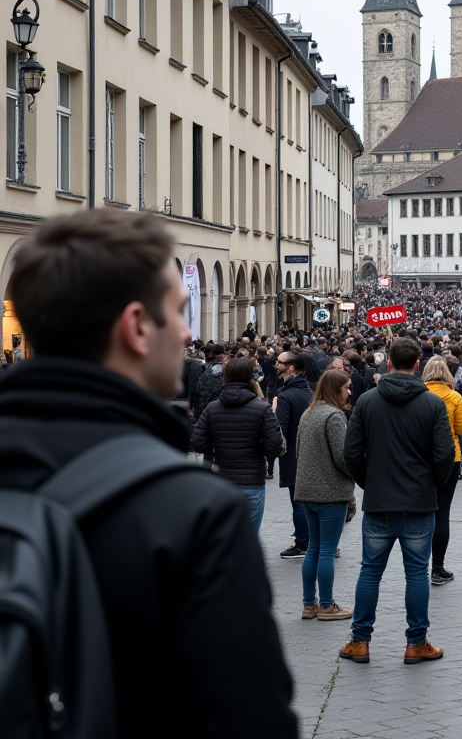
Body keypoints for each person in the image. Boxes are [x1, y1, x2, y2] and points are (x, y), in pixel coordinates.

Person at [0, 209, 296, 737]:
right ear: (137, 326)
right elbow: (250, 718)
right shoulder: (194, 513)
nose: (187, 333)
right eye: (178, 312)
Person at [341, 337, 454, 665]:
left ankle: (360, 641)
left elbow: (351, 452)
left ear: (388, 363)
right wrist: (433, 482)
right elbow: (444, 453)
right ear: (417, 364)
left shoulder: (367, 401)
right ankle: (416, 643)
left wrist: (368, 482)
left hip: (379, 500)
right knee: (417, 573)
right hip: (418, 501)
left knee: (370, 571)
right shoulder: (432, 403)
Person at [191, 354, 285, 532]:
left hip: (221, 478)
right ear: (250, 377)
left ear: (225, 377)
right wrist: (259, 453)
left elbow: (197, 440)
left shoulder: (213, 408)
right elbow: (275, 444)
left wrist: (213, 452)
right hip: (251, 480)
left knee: (224, 539)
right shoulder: (261, 407)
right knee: (249, 539)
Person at [294, 369, 357, 622]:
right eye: (347, 387)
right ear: (336, 389)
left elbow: (299, 450)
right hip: (329, 492)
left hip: (307, 490)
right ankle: (327, 605)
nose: (350, 391)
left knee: (314, 549)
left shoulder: (308, 413)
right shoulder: (334, 416)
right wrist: (356, 471)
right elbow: (342, 457)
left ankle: (309, 604)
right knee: (327, 550)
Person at [422, 355, 462, 585]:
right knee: (442, 513)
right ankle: (437, 566)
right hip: (449, 459)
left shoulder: (418, 394)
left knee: (421, 512)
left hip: (419, 459)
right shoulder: (453, 397)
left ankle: (418, 563)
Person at [275, 350, 314, 559]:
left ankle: (302, 543)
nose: (276, 365)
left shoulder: (285, 396)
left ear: (291, 368)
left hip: (293, 454)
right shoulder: (308, 391)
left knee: (298, 501)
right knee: (306, 501)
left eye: (280, 362)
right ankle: (309, 539)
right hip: (309, 452)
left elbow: (280, 429)